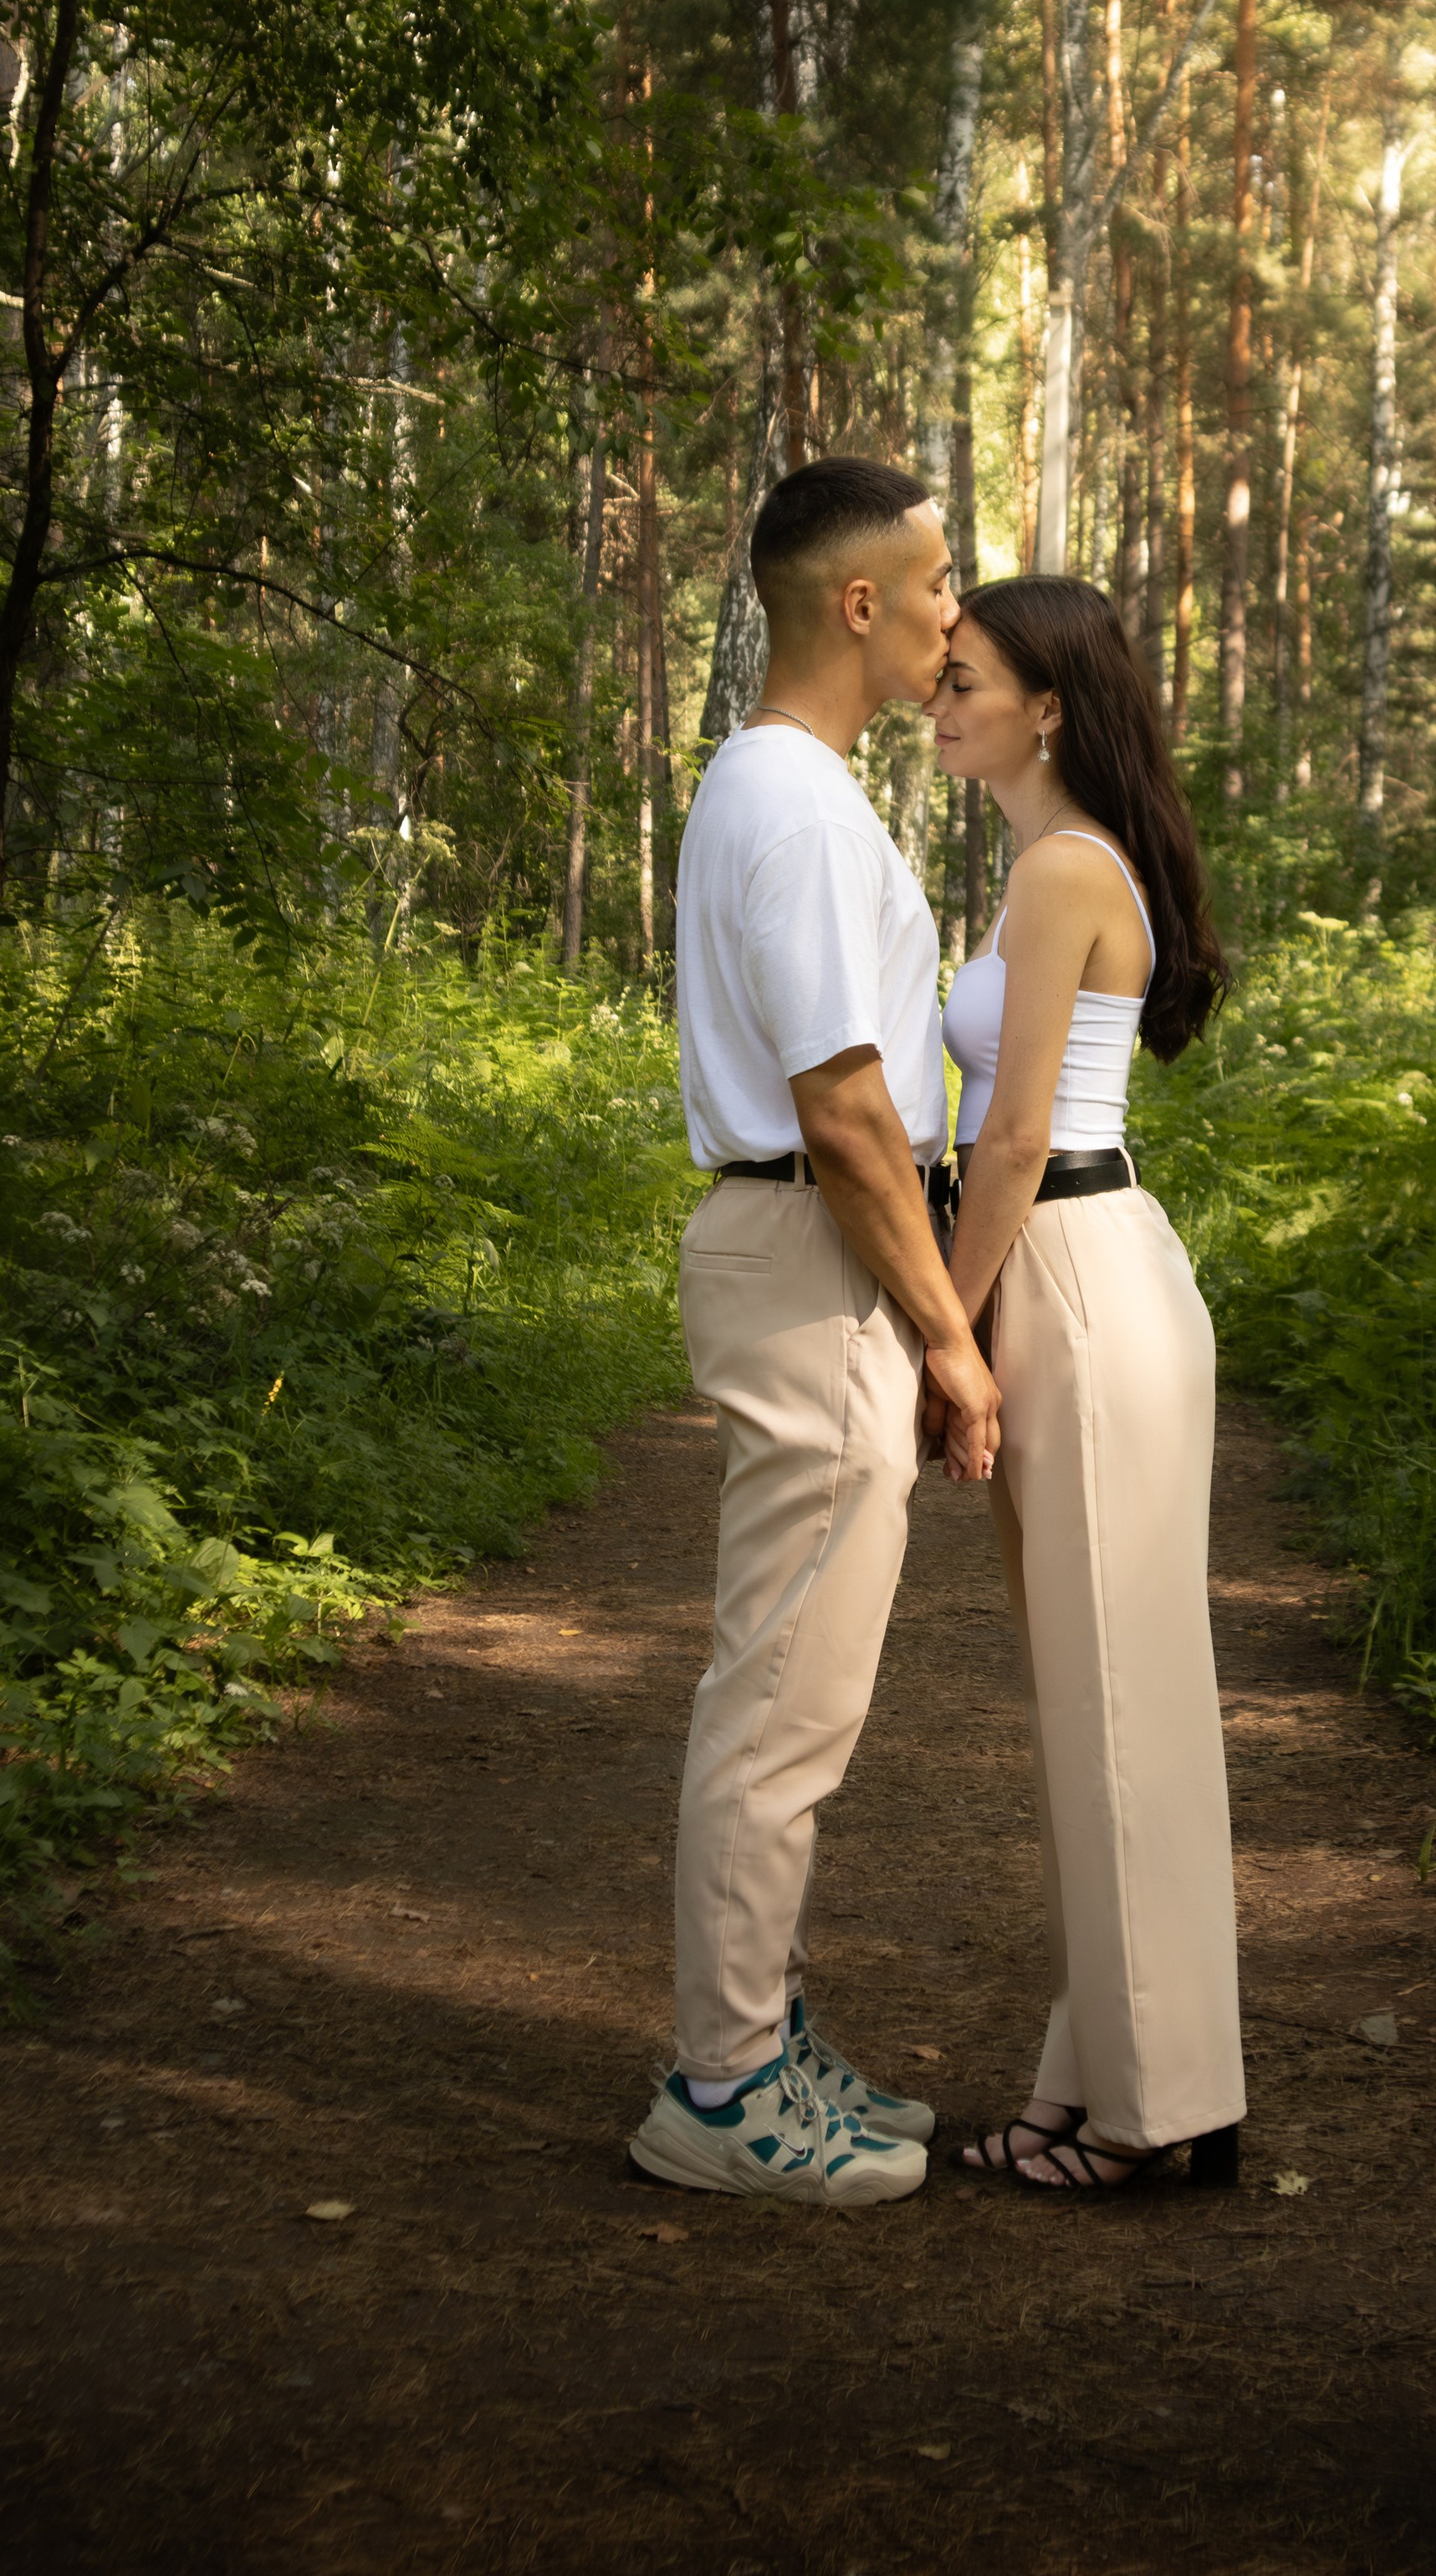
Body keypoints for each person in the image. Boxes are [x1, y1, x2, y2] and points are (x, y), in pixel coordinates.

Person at [626, 456, 1003, 2206]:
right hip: (807, 1241)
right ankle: (716, 2091)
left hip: (813, 1240)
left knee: (799, 1687)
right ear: (858, 604)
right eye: (935, 585)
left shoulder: (800, 795)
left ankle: (756, 2033)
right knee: (782, 1693)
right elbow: (846, 1108)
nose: (953, 615)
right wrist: (945, 1336)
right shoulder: (786, 799)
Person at [929, 573, 1244, 2195]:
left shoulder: (1059, 870)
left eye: (963, 678)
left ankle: (1163, 2112)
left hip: (1074, 1275)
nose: (936, 702)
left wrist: (945, 1330)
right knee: (1096, 1706)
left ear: (1046, 704)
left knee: (1117, 1705)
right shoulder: (1049, 866)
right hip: (1086, 1277)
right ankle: (1103, 2069)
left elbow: (1011, 1134)